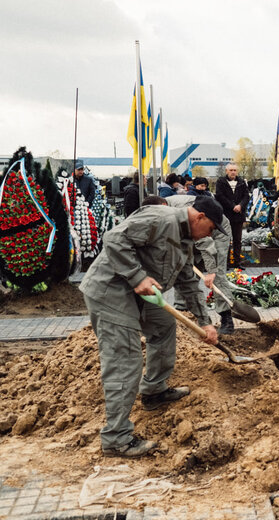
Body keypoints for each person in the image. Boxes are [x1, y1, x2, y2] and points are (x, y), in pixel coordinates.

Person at [79, 197, 225, 457]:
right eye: (212, 228)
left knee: (164, 325)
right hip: (111, 291)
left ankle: (154, 391)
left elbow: (188, 282)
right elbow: (113, 239)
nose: (210, 235)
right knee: (125, 358)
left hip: (142, 294)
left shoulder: (185, 239)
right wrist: (137, 276)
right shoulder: (161, 218)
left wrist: (205, 322)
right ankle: (116, 438)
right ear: (200, 217)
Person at [142, 195, 236, 334]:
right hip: (197, 234)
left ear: (163, 205)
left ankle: (226, 316)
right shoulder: (167, 214)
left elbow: (206, 245)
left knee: (217, 272)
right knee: (182, 269)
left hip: (216, 229)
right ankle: (183, 310)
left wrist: (211, 271)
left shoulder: (182, 213)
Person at [215, 163, 250, 268]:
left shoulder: (242, 182)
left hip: (238, 215)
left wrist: (240, 206)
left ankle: (237, 262)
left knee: (237, 240)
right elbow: (220, 196)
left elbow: (246, 196)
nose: (233, 172)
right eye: (231, 170)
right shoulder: (221, 182)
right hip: (226, 215)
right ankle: (225, 263)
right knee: (226, 240)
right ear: (226, 171)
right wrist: (232, 206)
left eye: (235, 170)